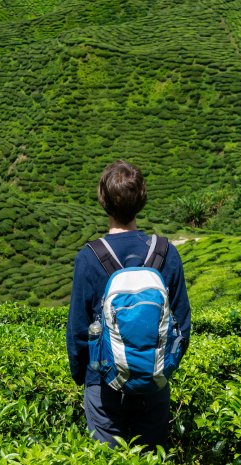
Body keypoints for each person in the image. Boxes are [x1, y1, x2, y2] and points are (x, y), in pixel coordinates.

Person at [66, 160, 191, 450]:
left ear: (103, 201)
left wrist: (86, 379)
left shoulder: (89, 257)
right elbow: (182, 325)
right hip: (154, 384)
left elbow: (77, 331)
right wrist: (161, 369)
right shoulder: (166, 253)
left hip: (104, 387)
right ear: (142, 200)